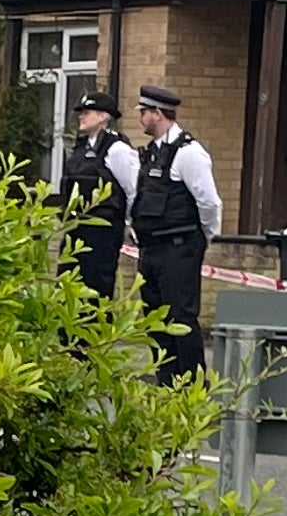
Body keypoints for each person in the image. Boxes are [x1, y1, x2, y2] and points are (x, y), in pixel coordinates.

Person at [122, 82, 223, 379]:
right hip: (151, 249)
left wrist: (205, 235)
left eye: (144, 112)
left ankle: (191, 386)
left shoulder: (188, 152)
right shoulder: (153, 153)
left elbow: (208, 201)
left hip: (179, 247)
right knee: (156, 319)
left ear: (157, 113)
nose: (140, 118)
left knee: (180, 318)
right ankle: (167, 384)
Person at [53, 89, 133, 300]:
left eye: (88, 111)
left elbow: (132, 189)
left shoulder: (116, 149)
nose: (81, 116)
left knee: (95, 291)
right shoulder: (80, 148)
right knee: (67, 289)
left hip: (102, 233)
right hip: (74, 229)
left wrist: (128, 224)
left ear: (103, 116)